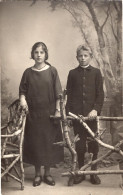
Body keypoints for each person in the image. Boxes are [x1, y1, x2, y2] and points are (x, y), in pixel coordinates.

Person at [19, 42, 64, 187]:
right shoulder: (27, 72)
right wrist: (22, 100)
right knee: (36, 143)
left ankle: (48, 173)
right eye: (36, 52)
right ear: (32, 54)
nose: (39, 55)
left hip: (49, 114)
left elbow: (58, 93)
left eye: (41, 52)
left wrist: (57, 110)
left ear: (46, 54)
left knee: (49, 143)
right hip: (34, 115)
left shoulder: (52, 71)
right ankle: (38, 174)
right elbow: (22, 91)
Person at [66, 44, 104, 185]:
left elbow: (100, 94)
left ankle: (93, 172)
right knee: (80, 145)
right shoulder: (72, 73)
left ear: (90, 57)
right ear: (77, 57)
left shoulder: (96, 73)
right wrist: (68, 115)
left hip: (91, 116)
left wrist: (95, 109)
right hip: (77, 117)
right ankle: (81, 172)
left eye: (85, 55)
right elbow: (68, 96)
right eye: (80, 56)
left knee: (93, 144)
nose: (82, 58)